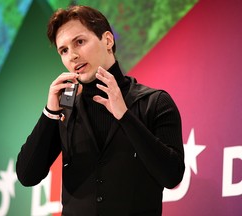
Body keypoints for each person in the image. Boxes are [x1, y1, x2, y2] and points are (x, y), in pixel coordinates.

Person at [16, 5, 185, 216]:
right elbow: (27, 175)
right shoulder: (64, 112)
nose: (72, 56)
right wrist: (50, 112)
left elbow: (172, 176)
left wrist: (125, 116)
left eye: (79, 42)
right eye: (64, 50)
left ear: (107, 40)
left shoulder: (155, 102)